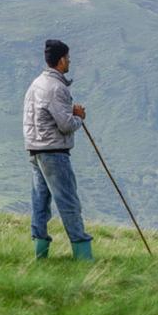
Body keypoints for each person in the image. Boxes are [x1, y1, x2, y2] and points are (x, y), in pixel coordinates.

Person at [23, 38, 94, 260]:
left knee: (40, 202)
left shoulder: (36, 84)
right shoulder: (56, 88)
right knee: (69, 202)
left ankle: (40, 255)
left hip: (35, 149)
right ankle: (83, 255)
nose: (69, 61)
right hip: (54, 151)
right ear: (61, 60)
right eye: (68, 58)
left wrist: (68, 110)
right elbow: (65, 125)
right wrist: (78, 117)